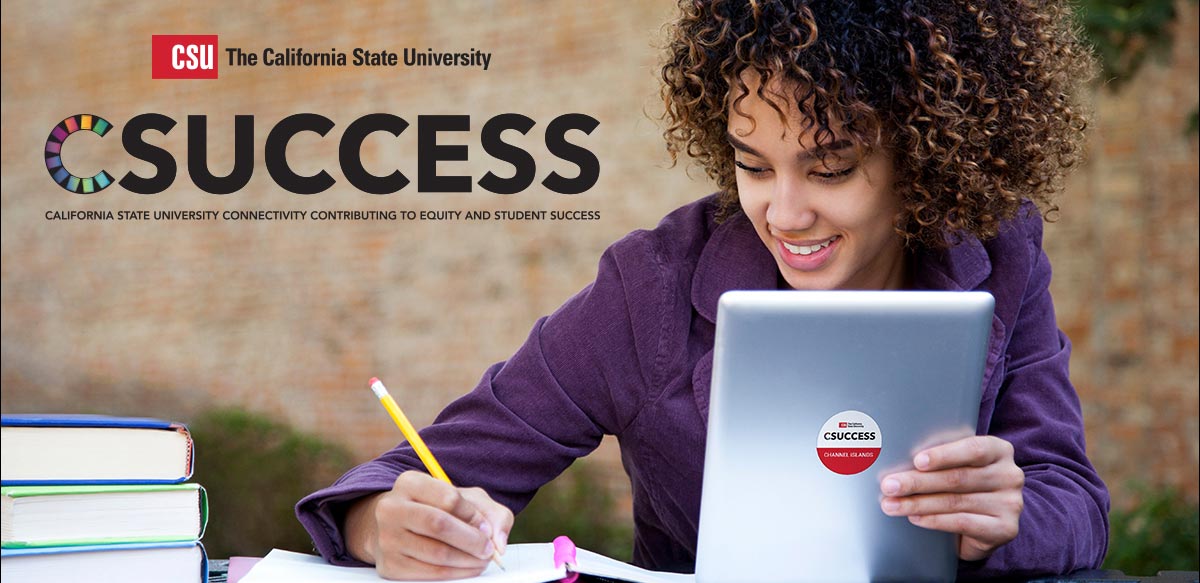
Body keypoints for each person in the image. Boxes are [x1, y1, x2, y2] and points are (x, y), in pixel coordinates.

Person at [297, 0, 1110, 579]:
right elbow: (414, 473)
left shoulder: (1001, 257)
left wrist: (1004, 520)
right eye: (753, 165)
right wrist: (386, 527)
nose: (783, 212)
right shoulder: (649, 288)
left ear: (926, 154)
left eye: (828, 167)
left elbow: (1073, 503)